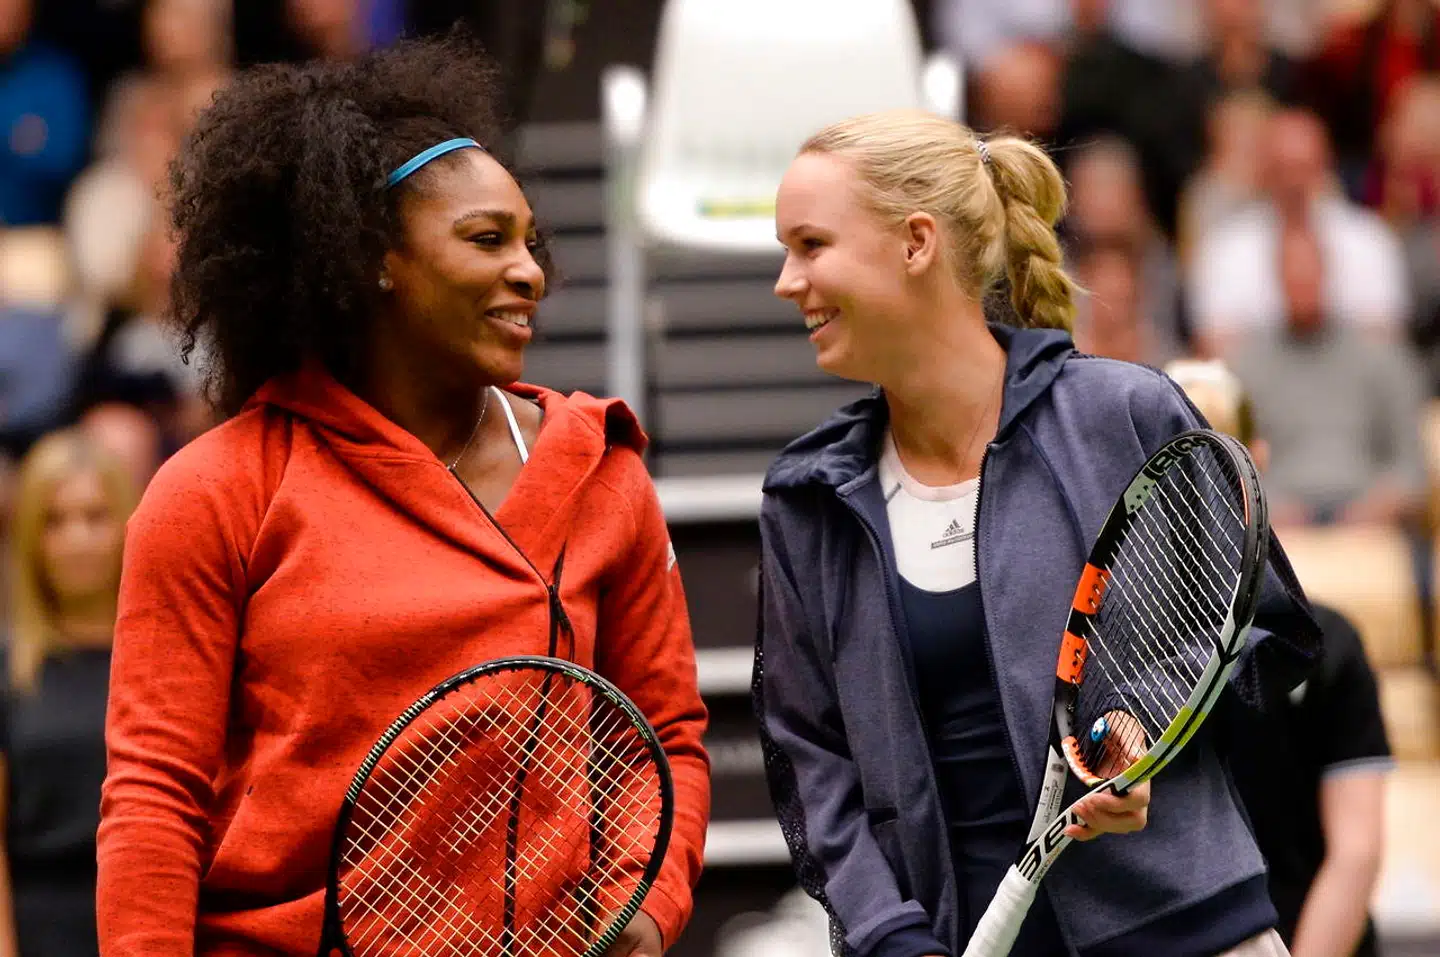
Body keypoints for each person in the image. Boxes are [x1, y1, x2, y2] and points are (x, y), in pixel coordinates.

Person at [95, 34, 710, 957]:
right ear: (375, 259)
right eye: (485, 239)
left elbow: (663, 737)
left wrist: (643, 912)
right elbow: (153, 797)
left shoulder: (602, 472)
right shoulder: (215, 490)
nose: (530, 272)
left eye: (530, 242)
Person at [755, 108, 1320, 957]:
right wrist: (886, 934)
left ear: (916, 243)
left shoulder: (1124, 413)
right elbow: (810, 761)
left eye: (811, 245)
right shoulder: (805, 498)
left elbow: (1267, 632)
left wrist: (1144, 728)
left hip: (1192, 936)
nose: (786, 281)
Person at [1166, 358, 1392, 957]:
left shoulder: (1332, 644)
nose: (1199, 487)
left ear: (1256, 460)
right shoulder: (1123, 660)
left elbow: (1356, 853)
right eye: (1178, 458)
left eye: (1219, 455)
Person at [0, 430, 137, 956]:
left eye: (95, 515)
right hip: (40, 928)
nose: (77, 537)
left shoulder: (167, 661)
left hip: (148, 918)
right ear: (31, 537)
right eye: (55, 521)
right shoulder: (11, 671)